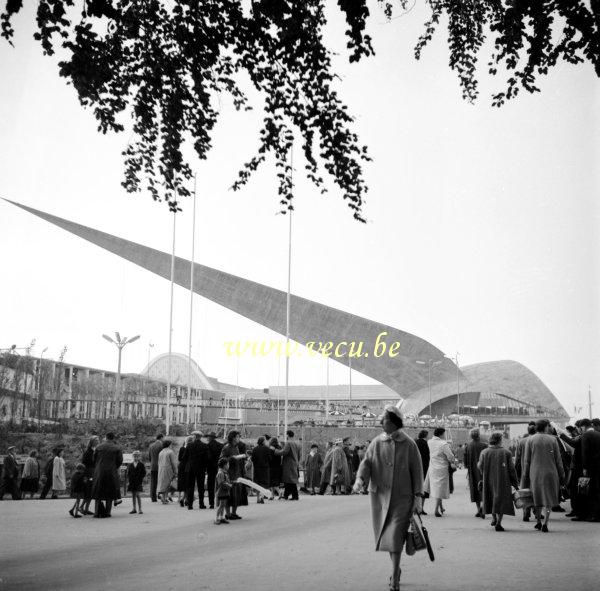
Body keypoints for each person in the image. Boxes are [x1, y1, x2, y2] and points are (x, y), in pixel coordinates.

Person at [353, 406, 423, 591]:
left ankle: (395, 579)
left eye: (383, 420)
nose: (381, 423)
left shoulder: (409, 444)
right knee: (387, 537)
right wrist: (360, 479)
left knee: (395, 536)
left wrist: (418, 496)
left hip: (403, 497)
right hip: (380, 497)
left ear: (392, 422)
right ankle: (396, 569)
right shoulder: (376, 442)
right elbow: (366, 463)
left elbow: (417, 471)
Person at [521, 419, 565, 532]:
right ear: (545, 427)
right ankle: (546, 523)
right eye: (549, 426)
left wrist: (525, 476)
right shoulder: (553, 440)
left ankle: (538, 522)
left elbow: (527, 461)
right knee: (548, 500)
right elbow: (558, 460)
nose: (550, 428)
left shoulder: (530, 440)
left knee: (537, 498)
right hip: (551, 473)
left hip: (535, 473)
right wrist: (562, 475)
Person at [477, 432, 518, 531]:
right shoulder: (506, 452)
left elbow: (479, 465)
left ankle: (494, 518)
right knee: (500, 500)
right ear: (499, 440)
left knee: (490, 498)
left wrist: (484, 473)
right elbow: (512, 470)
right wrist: (515, 483)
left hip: (488, 479)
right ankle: (499, 522)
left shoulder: (484, 452)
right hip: (503, 480)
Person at [424, 427, 456, 517]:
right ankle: (436, 510)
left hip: (432, 467)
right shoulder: (443, 444)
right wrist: (452, 461)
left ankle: (441, 507)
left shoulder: (429, 442)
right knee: (440, 489)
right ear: (442, 434)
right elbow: (450, 456)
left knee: (437, 488)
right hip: (442, 468)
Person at [91, 432, 123, 518]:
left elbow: (94, 459)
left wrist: (98, 466)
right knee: (110, 493)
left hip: (99, 472)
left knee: (98, 492)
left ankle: (97, 512)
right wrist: (113, 466)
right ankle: (108, 512)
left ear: (106, 437)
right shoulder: (117, 448)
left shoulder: (98, 447)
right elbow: (119, 461)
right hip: (111, 472)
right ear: (113, 438)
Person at [220, 431, 247, 519]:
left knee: (237, 493)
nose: (239, 438)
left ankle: (234, 513)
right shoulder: (226, 447)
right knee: (230, 493)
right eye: (238, 437)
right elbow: (221, 460)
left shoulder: (236, 447)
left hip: (237, 472)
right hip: (230, 473)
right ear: (233, 438)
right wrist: (232, 458)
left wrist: (242, 457)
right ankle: (228, 514)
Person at [464, 428, 488, 518]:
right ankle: (483, 507)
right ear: (479, 435)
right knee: (484, 488)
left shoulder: (468, 446)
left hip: (472, 471)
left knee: (475, 489)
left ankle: (478, 509)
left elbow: (465, 459)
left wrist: (467, 466)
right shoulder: (484, 445)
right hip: (483, 470)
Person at [515, 424, 536, 521]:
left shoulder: (521, 441)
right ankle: (536, 512)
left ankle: (526, 512)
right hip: (535, 470)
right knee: (535, 491)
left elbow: (518, 458)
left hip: (524, 470)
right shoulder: (536, 440)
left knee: (525, 492)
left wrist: (517, 472)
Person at [580, 417, 600, 522]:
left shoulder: (586, 435)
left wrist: (584, 467)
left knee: (592, 491)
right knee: (598, 490)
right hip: (598, 465)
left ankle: (594, 515)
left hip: (591, 466)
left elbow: (585, 453)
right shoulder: (598, 434)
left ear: (583, 426)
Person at [274, 430, 302, 500]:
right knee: (289, 480)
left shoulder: (288, 443)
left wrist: (276, 451)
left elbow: (284, 452)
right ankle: (287, 495)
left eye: (285, 435)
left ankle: (295, 496)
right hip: (294, 463)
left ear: (287, 435)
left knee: (290, 480)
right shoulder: (297, 443)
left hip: (288, 464)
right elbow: (299, 455)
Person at [186, 431, 209, 510]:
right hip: (201, 468)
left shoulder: (189, 445)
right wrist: (205, 468)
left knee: (190, 486)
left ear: (195, 436)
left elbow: (185, 457)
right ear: (200, 437)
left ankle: (190, 505)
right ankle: (201, 504)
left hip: (191, 468)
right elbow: (207, 459)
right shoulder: (204, 446)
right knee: (201, 487)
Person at [81, 435, 99, 515]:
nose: (98, 441)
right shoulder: (88, 451)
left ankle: (86, 508)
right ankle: (82, 507)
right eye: (96, 440)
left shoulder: (97, 450)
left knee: (91, 492)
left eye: (98, 440)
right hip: (89, 472)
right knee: (88, 491)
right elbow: (84, 462)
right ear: (92, 442)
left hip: (94, 471)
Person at [251, 436, 271, 503]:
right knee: (263, 483)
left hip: (257, 469)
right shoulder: (267, 449)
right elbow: (270, 458)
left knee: (257, 483)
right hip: (265, 469)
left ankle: (257, 498)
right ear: (263, 441)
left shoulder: (254, 449)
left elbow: (252, 459)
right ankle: (261, 496)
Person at [206, 432, 223, 510]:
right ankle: (219, 502)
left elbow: (208, 457)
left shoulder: (208, 446)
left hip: (210, 468)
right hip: (218, 467)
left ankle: (211, 503)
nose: (207, 438)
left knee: (210, 485)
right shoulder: (220, 445)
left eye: (208, 437)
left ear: (211, 437)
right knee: (219, 485)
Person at [157, 439, 177, 504]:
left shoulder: (161, 452)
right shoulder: (170, 452)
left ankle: (164, 497)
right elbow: (173, 463)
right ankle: (164, 498)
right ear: (169, 445)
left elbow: (159, 462)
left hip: (161, 469)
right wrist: (176, 471)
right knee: (168, 484)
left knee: (163, 483)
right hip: (168, 469)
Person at [127, 450, 146, 514]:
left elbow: (144, 473)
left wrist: (140, 479)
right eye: (135, 456)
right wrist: (129, 481)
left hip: (138, 481)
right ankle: (134, 508)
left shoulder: (141, 464)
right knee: (133, 495)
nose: (136, 458)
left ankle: (140, 509)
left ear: (139, 457)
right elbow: (129, 473)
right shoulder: (130, 465)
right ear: (133, 457)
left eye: (137, 456)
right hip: (132, 482)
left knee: (137, 494)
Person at [414, 431, 429, 513]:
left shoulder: (414, 442)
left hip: (415, 467)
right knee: (424, 488)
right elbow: (428, 455)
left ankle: (415, 507)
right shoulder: (426, 443)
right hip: (424, 467)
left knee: (415, 487)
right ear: (426, 435)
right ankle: (421, 508)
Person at [214, 457, 232, 524]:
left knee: (223, 505)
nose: (228, 466)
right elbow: (221, 483)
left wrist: (230, 483)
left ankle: (221, 517)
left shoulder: (224, 472)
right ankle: (216, 518)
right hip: (221, 492)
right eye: (228, 464)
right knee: (221, 505)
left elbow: (226, 481)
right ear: (224, 465)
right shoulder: (220, 473)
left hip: (224, 492)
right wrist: (229, 485)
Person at [148, 433, 164, 503]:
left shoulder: (151, 446)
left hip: (152, 465)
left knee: (153, 481)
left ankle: (153, 497)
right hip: (160, 465)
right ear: (161, 438)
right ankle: (159, 495)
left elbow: (149, 457)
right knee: (161, 481)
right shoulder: (161, 445)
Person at [177, 436, 192, 507]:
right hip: (188, 467)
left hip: (181, 467)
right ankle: (184, 499)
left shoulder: (181, 448)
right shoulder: (190, 448)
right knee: (188, 483)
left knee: (183, 483)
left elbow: (179, 459)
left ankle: (184, 499)